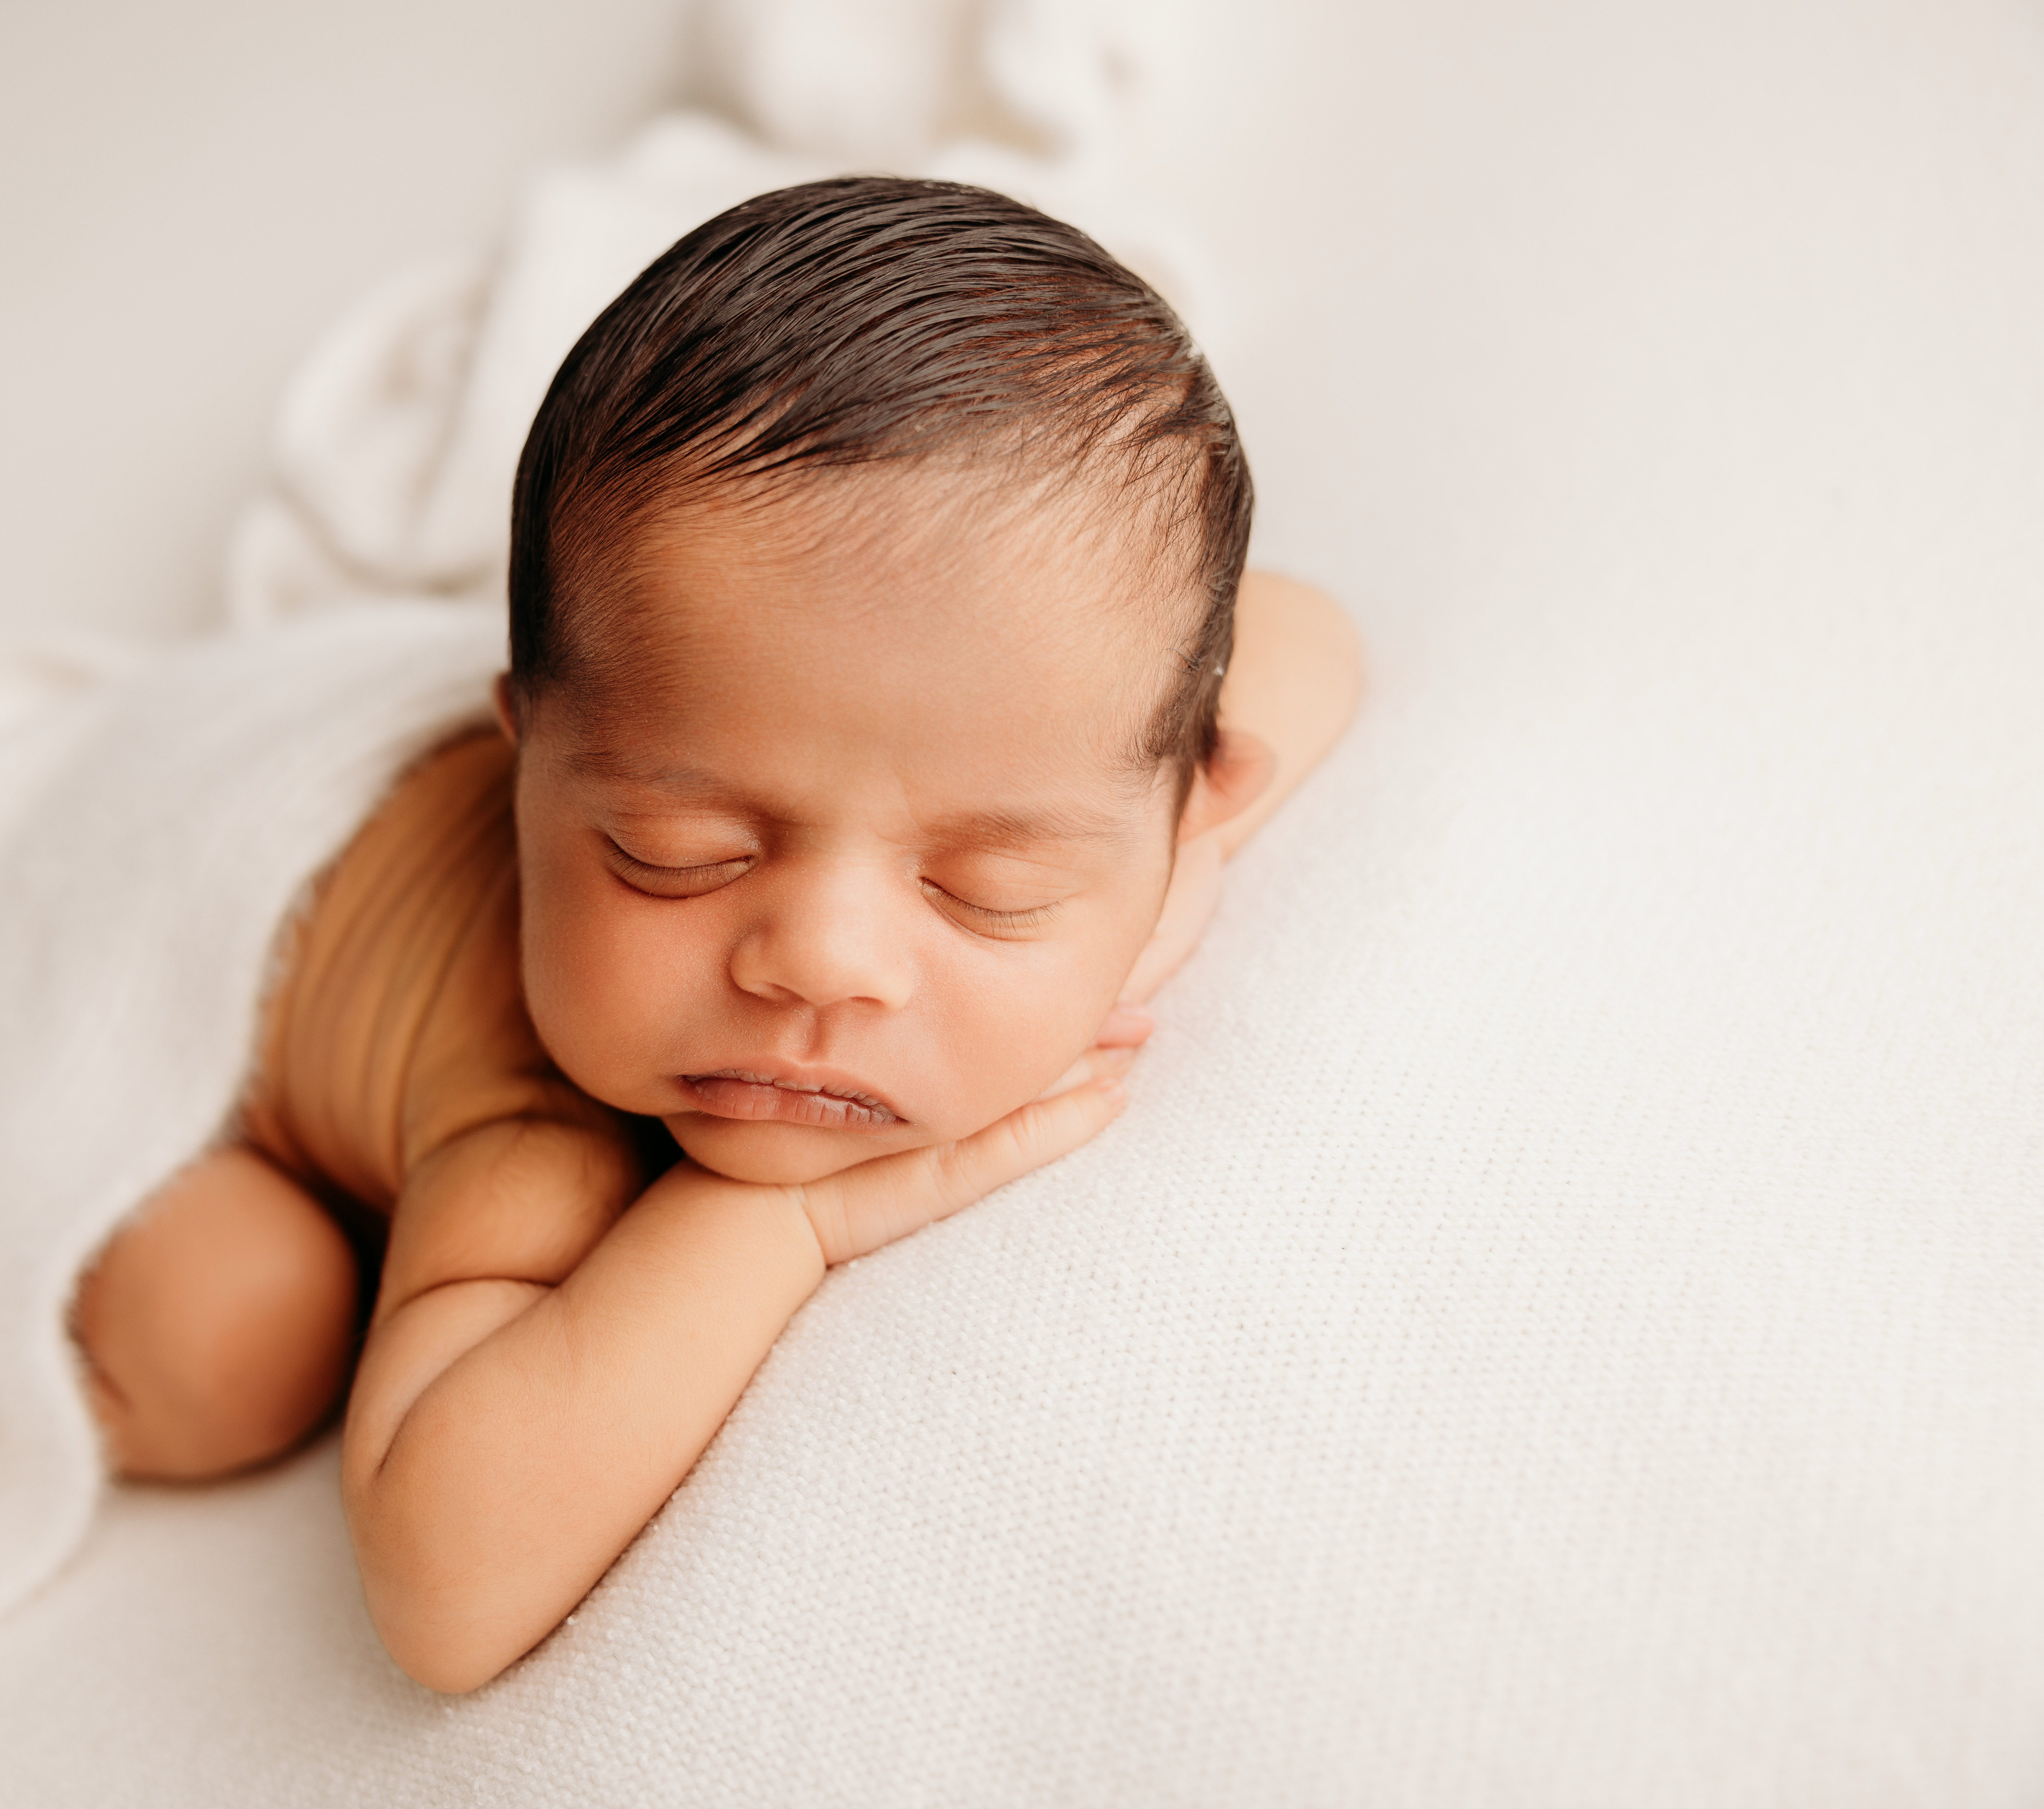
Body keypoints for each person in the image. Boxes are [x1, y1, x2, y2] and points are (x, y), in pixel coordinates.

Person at [67, 176, 1363, 1692]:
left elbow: (1301, 627)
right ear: (529, 763)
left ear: (1200, 794)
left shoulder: (1119, 787)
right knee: (241, 1334)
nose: (816, 963)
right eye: (675, 857)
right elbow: (444, 1588)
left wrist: (1153, 886)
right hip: (158, 918)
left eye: (984, 886)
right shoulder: (536, 1123)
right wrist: (770, 1223)